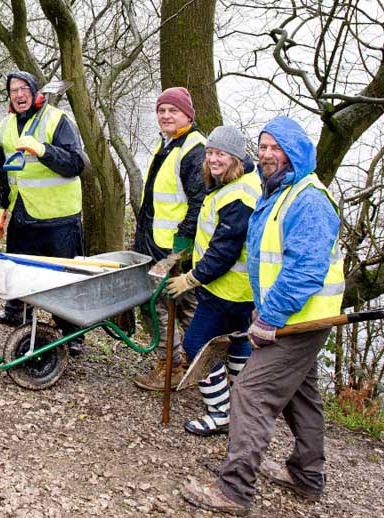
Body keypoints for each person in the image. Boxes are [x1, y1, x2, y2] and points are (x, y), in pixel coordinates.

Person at [183, 116, 345, 515]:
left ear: (297, 152)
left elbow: (304, 271)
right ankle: (307, 476)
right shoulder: (280, 192)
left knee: (251, 393)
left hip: (298, 320)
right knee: (301, 398)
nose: (270, 155)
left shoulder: (308, 198)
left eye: (278, 148)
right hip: (295, 316)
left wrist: (269, 317)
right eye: (265, 147)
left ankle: (234, 490)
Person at [163, 125, 260, 436]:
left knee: (195, 345)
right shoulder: (233, 184)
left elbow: (224, 252)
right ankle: (243, 406)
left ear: (236, 157)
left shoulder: (239, 195)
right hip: (241, 291)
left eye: (221, 154)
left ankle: (221, 414)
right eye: (210, 153)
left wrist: (190, 280)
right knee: (238, 343)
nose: (214, 159)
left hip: (226, 290)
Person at [0, 71, 86, 354]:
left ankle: (72, 333)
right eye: (13, 90)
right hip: (23, 211)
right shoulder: (5, 126)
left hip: (59, 217)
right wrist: (1, 206)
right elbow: (1, 171)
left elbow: (76, 163)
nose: (19, 95)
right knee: (17, 267)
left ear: (34, 92)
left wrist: (43, 150)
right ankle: (17, 315)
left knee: (63, 277)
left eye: (23, 89)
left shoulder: (57, 120)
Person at [132, 87, 207, 390]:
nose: (165, 115)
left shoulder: (193, 148)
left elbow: (199, 201)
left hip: (172, 249)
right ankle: (196, 365)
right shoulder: (171, 144)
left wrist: (182, 245)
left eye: (172, 110)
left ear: (188, 114)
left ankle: (174, 366)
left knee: (158, 305)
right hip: (157, 242)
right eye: (161, 110)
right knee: (181, 306)